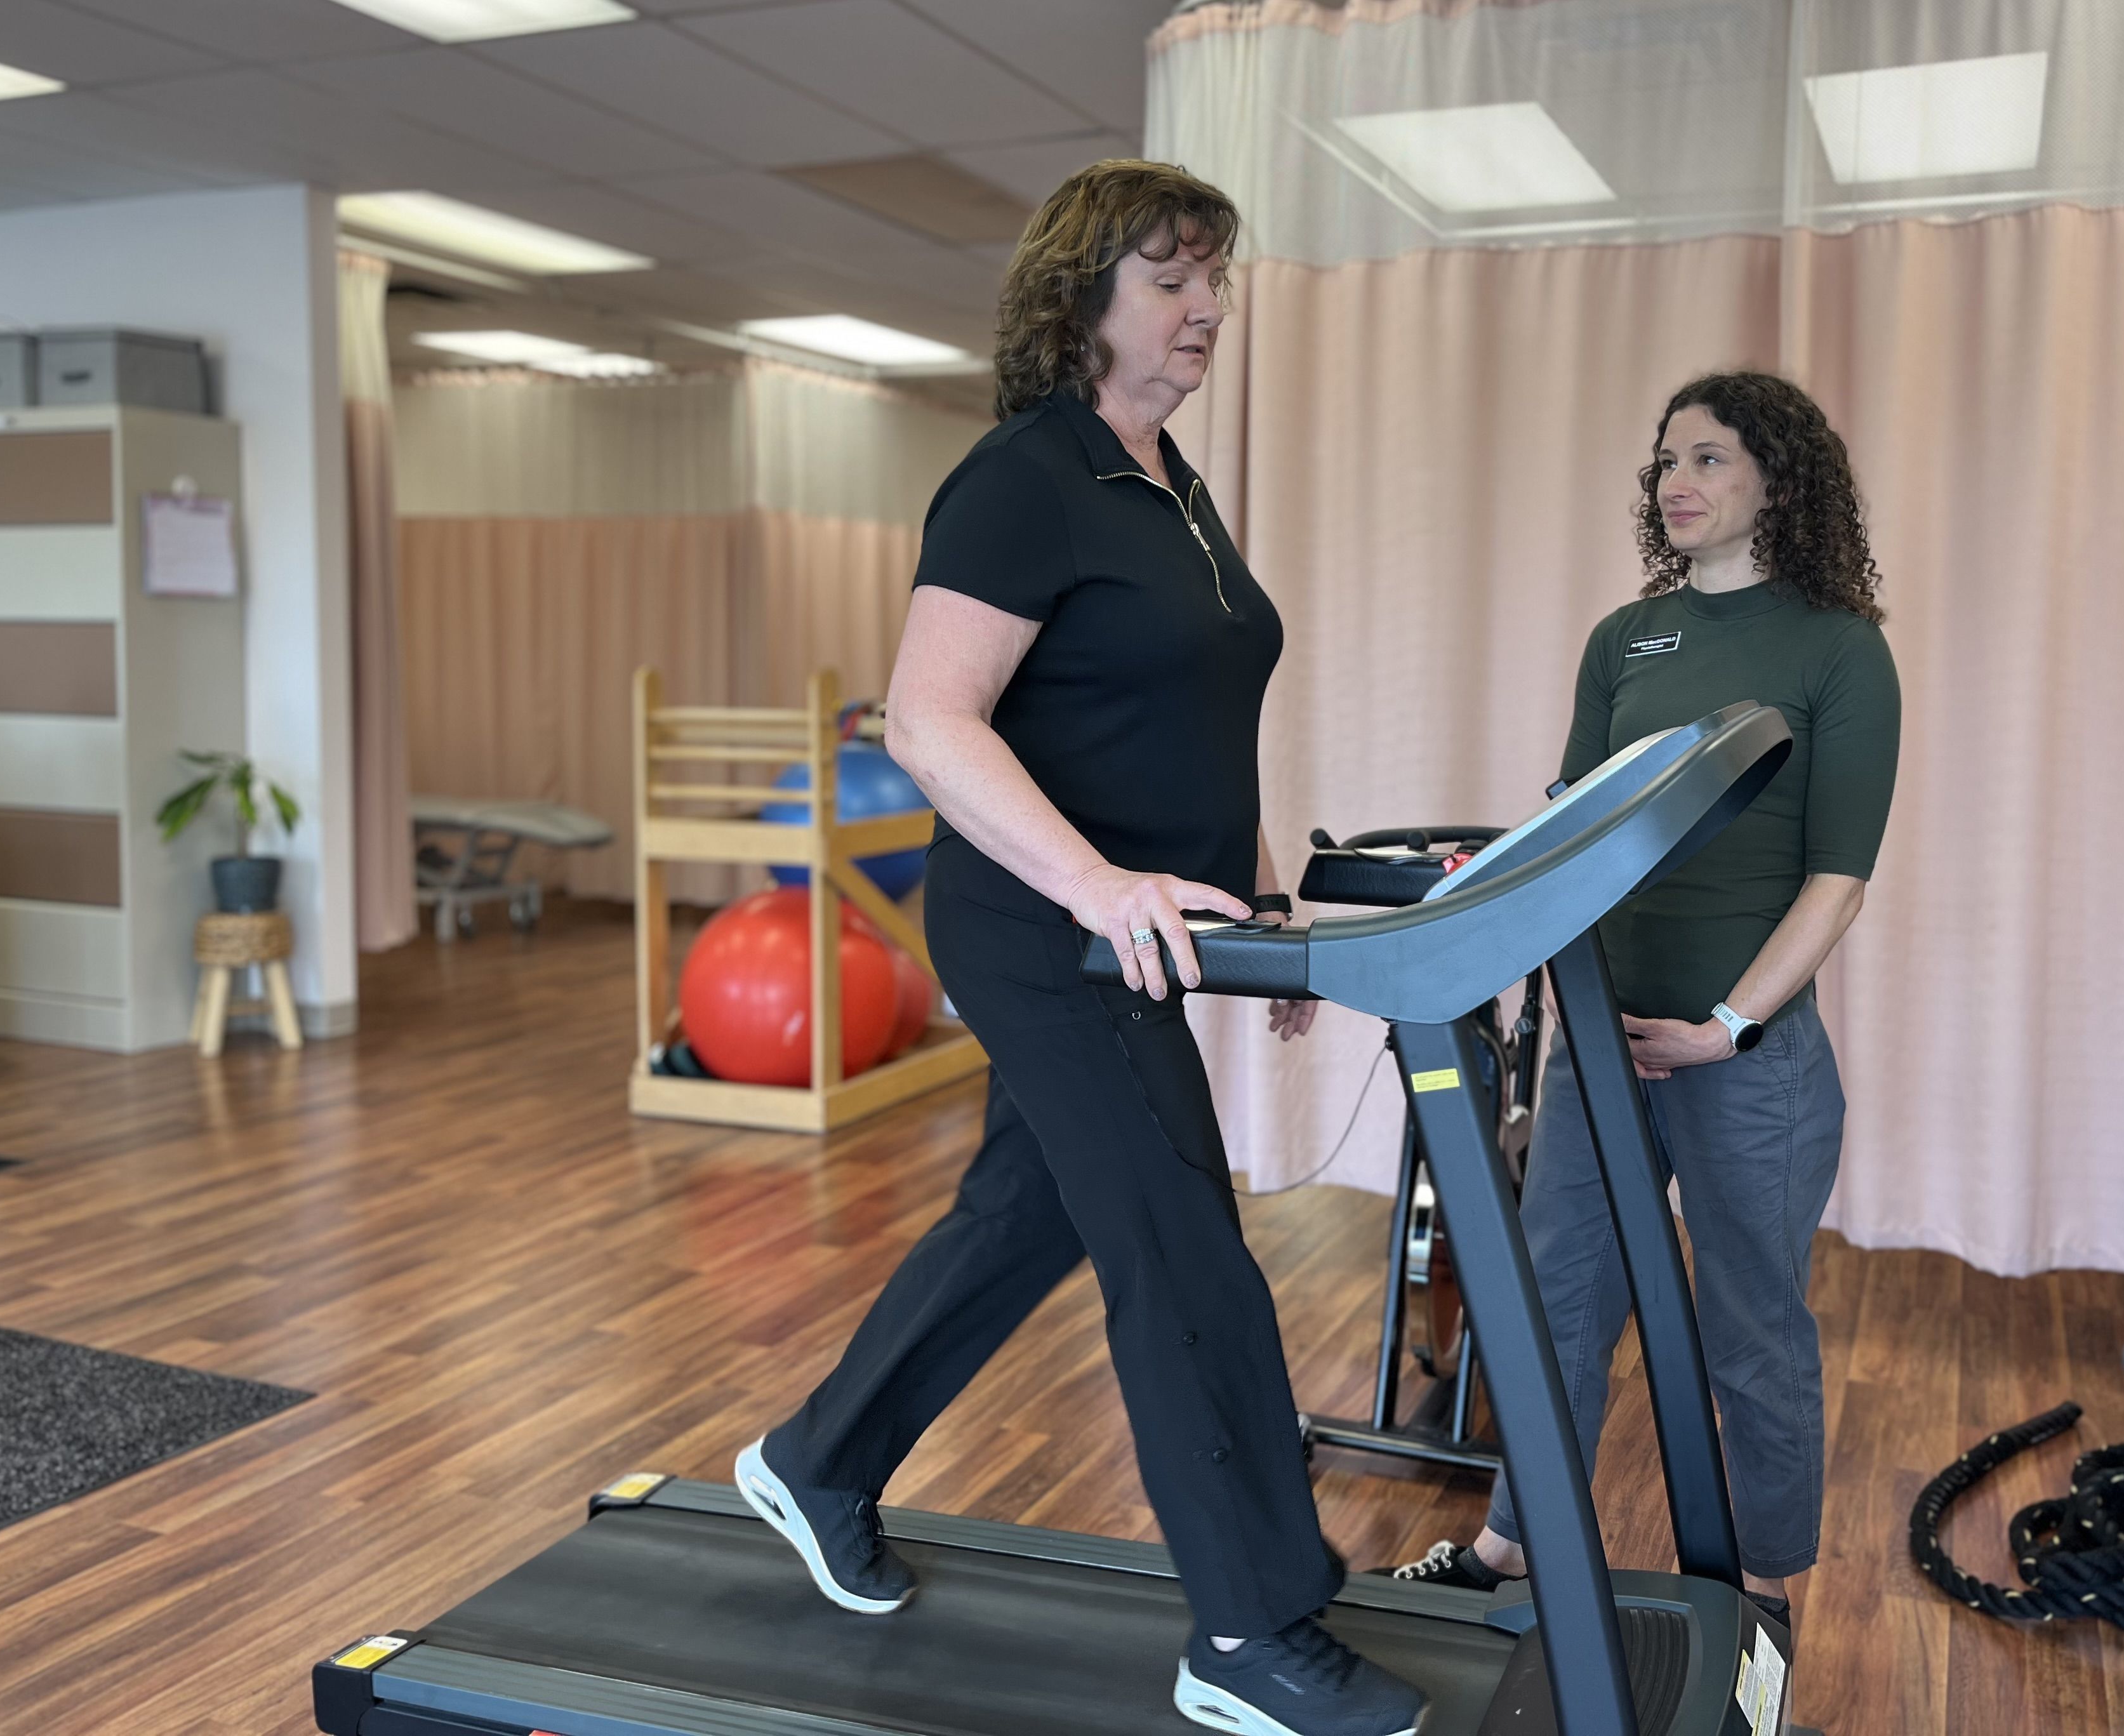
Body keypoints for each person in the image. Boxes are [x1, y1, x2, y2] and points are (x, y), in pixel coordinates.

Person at [731, 159, 1426, 1736]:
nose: (1208, 311)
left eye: (1215, 281)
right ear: (1082, 297)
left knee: (1025, 1214)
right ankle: (1247, 1635)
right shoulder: (1024, 477)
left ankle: (818, 1459)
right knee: (1180, 1248)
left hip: (1147, 936)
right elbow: (929, 720)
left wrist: (1252, 898)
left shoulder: (1164, 478)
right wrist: (1107, 889)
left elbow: (1178, 710)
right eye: (1174, 281)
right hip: (1043, 932)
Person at [1390, 371, 1900, 1636]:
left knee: (1750, 1327)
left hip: (1745, 1060)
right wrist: (1484, 904)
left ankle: (1761, 1590)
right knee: (1558, 1301)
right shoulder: (1628, 640)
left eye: (1711, 458)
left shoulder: (1840, 649)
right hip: (1600, 1045)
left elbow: (1839, 881)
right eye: (1666, 461)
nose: (1676, 481)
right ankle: (1510, 1545)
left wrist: (1730, 1026)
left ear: (1779, 481)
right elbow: (1569, 828)